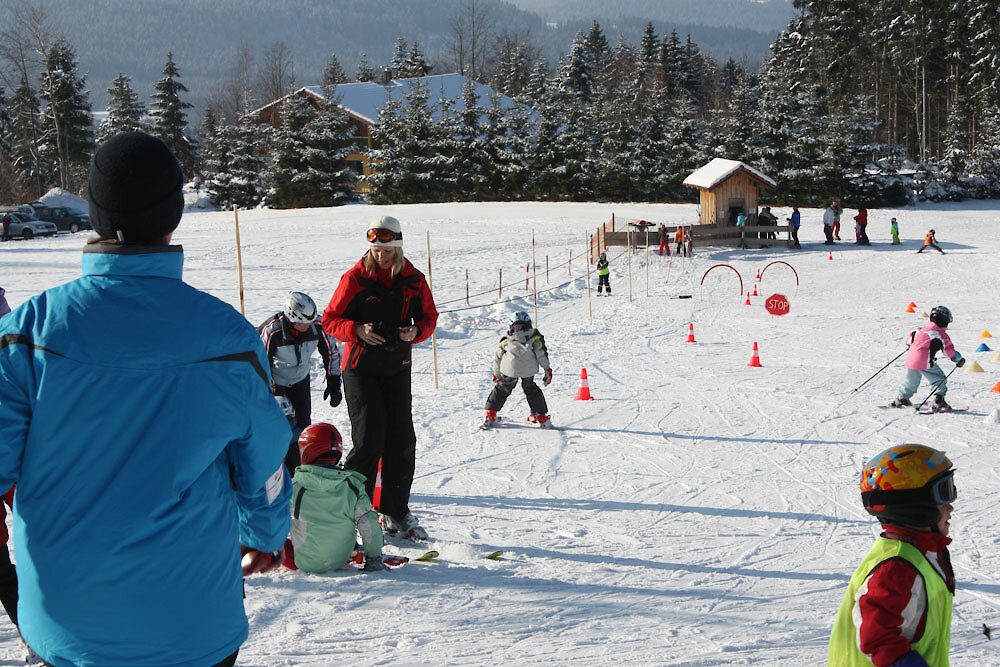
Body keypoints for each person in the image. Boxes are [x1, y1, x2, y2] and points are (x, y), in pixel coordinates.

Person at [0, 132, 292, 667]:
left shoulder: (27, 334)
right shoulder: (228, 339)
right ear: (173, 215)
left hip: (66, 624)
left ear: (93, 212)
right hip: (194, 625)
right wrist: (267, 536)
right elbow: (265, 462)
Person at [322, 215, 438, 541]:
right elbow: (330, 319)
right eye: (375, 249)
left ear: (398, 247)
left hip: (397, 367)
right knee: (369, 439)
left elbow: (429, 317)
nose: (380, 255)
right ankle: (354, 512)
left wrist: (415, 331)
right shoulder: (355, 278)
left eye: (386, 250)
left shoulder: (413, 280)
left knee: (402, 441)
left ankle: (395, 511)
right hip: (360, 368)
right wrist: (356, 330)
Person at [828, 443, 956, 667]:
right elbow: (876, 637)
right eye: (944, 493)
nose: (950, 506)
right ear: (914, 505)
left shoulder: (918, 554)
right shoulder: (897, 568)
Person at [284, 423, 387, 573]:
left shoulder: (295, 487)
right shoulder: (352, 486)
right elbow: (368, 523)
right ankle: (343, 549)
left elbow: (273, 523)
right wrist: (374, 557)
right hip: (340, 558)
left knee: (271, 541)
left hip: (306, 563)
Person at [259, 291, 342, 473]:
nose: (307, 326)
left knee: (304, 425)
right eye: (302, 323)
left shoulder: (317, 326)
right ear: (290, 316)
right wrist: (273, 395)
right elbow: (260, 366)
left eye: (310, 322)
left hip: (300, 379)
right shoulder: (272, 331)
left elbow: (331, 352)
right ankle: (278, 469)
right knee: (280, 427)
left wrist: (334, 380)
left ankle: (301, 468)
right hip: (276, 381)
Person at [482, 311, 553, 429]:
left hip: (510, 368)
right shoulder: (534, 335)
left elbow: (498, 357)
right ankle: (540, 417)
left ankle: (491, 414)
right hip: (528, 369)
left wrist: (496, 374)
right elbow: (541, 353)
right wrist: (547, 369)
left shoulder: (506, 338)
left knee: (502, 389)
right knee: (531, 389)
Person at [889, 306, 964, 411]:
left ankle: (902, 398)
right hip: (925, 361)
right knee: (939, 379)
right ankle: (939, 400)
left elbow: (909, 341)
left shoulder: (918, 330)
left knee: (911, 381)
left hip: (911, 359)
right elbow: (949, 352)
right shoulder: (940, 335)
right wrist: (958, 359)